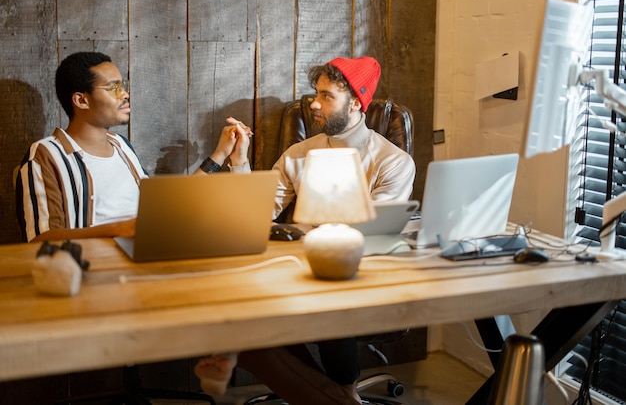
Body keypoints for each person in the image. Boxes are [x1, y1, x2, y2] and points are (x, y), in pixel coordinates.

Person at [194, 56, 416, 405]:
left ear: (357, 102)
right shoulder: (300, 154)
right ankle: (335, 397)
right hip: (299, 267)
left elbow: (374, 234)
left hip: (361, 274)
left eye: (327, 96)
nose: (314, 103)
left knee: (324, 300)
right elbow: (256, 213)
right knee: (243, 303)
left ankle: (334, 394)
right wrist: (238, 160)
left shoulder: (393, 162)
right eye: (316, 93)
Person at [16, 51, 249, 243]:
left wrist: (220, 154)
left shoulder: (121, 146)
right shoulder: (45, 155)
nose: (125, 94)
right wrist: (120, 229)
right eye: (114, 88)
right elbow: (41, 240)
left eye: (123, 86)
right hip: (95, 270)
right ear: (81, 100)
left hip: (147, 253)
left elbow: (160, 210)